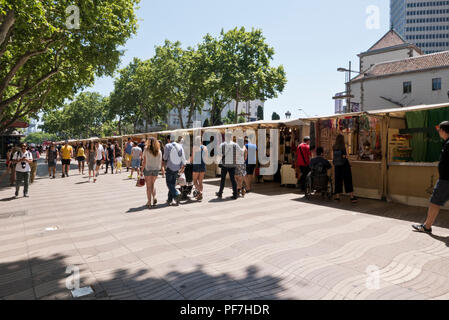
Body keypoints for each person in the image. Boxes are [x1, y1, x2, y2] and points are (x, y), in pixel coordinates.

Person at [413, 121, 449, 234]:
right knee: (436, 201)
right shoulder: (447, 142)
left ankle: (427, 226)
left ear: (443, 131)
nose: (438, 132)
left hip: (446, 180)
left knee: (435, 202)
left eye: (439, 130)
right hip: (445, 178)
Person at [333, 134, 357, 203]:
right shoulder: (344, 147)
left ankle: (337, 197)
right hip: (344, 165)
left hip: (337, 165)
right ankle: (352, 197)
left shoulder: (334, 147)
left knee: (338, 181)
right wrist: (350, 164)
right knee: (348, 180)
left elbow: (334, 156)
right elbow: (346, 157)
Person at [216, 132, 241, 200]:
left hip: (224, 164)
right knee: (233, 179)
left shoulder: (222, 144)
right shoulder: (235, 144)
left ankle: (220, 193)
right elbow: (240, 152)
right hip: (232, 164)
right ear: (231, 137)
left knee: (223, 179)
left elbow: (218, 153)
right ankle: (235, 194)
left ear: (226, 137)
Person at [163, 136, 186, 206]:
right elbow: (183, 158)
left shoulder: (167, 145)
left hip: (170, 167)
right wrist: (182, 167)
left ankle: (176, 193)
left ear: (168, 140)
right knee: (172, 184)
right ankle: (169, 199)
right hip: (177, 168)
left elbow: (165, 157)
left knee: (168, 183)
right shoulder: (180, 146)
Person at [142, 137, 163, 208]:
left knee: (148, 186)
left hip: (148, 169)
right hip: (156, 170)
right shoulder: (159, 151)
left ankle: (149, 202)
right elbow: (160, 161)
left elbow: (144, 161)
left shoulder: (146, 149)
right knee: (153, 184)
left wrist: (141, 171)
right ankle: (154, 197)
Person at [190, 136, 207, 201]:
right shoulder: (205, 147)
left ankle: (200, 192)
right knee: (200, 181)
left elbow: (192, 157)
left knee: (194, 181)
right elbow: (206, 158)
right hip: (203, 165)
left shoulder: (194, 147)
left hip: (196, 165)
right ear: (201, 140)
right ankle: (199, 195)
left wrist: (189, 162)